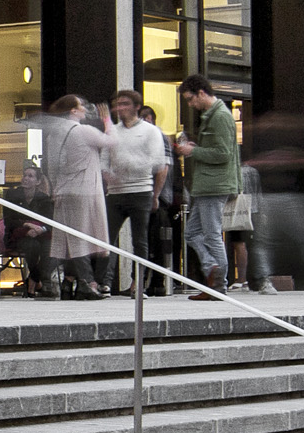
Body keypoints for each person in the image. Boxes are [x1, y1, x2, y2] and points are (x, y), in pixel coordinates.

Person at [29, 93, 114, 299]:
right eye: (81, 106)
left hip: (64, 190)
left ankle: (59, 283)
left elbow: (52, 165)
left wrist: (55, 187)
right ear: (73, 111)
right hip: (84, 190)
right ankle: (86, 282)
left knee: (66, 238)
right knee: (79, 239)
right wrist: (107, 121)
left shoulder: (54, 134)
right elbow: (111, 141)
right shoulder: (84, 131)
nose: (85, 108)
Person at [102, 93, 168, 291]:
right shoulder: (112, 131)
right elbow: (103, 159)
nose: (119, 108)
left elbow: (157, 161)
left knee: (140, 240)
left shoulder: (150, 131)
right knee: (107, 238)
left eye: (124, 104)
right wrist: (107, 174)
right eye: (116, 104)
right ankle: (105, 282)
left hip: (140, 190)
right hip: (115, 192)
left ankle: (137, 283)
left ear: (136, 107)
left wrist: (155, 194)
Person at [181, 90, 242, 292]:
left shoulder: (220, 116)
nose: (190, 105)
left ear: (201, 93)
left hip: (214, 186)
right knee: (192, 233)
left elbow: (223, 153)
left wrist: (193, 151)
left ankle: (219, 284)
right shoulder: (215, 115)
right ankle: (213, 272)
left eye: (190, 99)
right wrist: (196, 148)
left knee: (211, 235)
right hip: (208, 185)